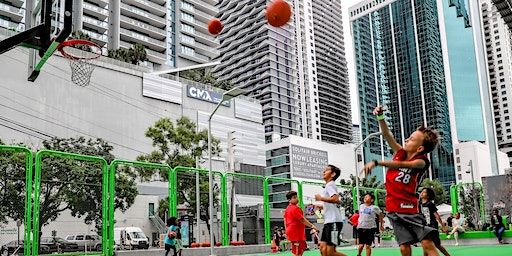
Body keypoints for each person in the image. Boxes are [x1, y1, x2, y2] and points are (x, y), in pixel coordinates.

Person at [362, 105, 440, 256]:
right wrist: (380, 117)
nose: (406, 139)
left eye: (411, 139)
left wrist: (377, 162)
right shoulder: (400, 152)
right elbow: (387, 134)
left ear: (419, 149)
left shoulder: (421, 162)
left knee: (427, 243)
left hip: (410, 208)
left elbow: (402, 165)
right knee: (404, 247)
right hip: (393, 208)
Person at [314, 165, 347, 256]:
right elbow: (334, 202)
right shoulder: (328, 186)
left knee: (330, 252)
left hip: (334, 223)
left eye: (326, 170)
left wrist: (321, 198)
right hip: (329, 222)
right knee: (322, 248)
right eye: (324, 170)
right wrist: (322, 206)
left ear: (333, 174)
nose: (323, 172)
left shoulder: (330, 185)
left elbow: (336, 199)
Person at [284, 190, 320, 256]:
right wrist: (312, 226)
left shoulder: (287, 209)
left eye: (296, 197)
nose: (297, 199)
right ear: (289, 200)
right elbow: (302, 220)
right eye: (294, 197)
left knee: (300, 250)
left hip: (295, 233)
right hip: (296, 233)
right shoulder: (295, 208)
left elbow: (285, 220)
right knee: (297, 252)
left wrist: (287, 231)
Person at [420, 187, 450, 256]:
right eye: (422, 191)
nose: (421, 193)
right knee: (426, 244)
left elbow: (437, 215)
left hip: (432, 227)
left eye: (424, 192)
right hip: (424, 227)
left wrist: (443, 226)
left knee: (437, 245)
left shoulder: (430, 204)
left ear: (428, 195)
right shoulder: (420, 205)